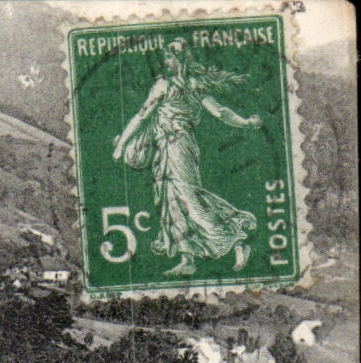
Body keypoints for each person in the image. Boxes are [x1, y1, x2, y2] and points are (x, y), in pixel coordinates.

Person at [112, 39, 261, 276]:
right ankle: (187, 257)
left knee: (189, 198)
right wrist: (121, 145)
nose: (165, 61)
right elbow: (142, 116)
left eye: (170, 57)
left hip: (180, 146)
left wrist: (245, 123)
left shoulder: (184, 85)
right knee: (170, 200)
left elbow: (219, 112)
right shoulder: (170, 84)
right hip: (165, 148)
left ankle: (235, 239)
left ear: (179, 59)